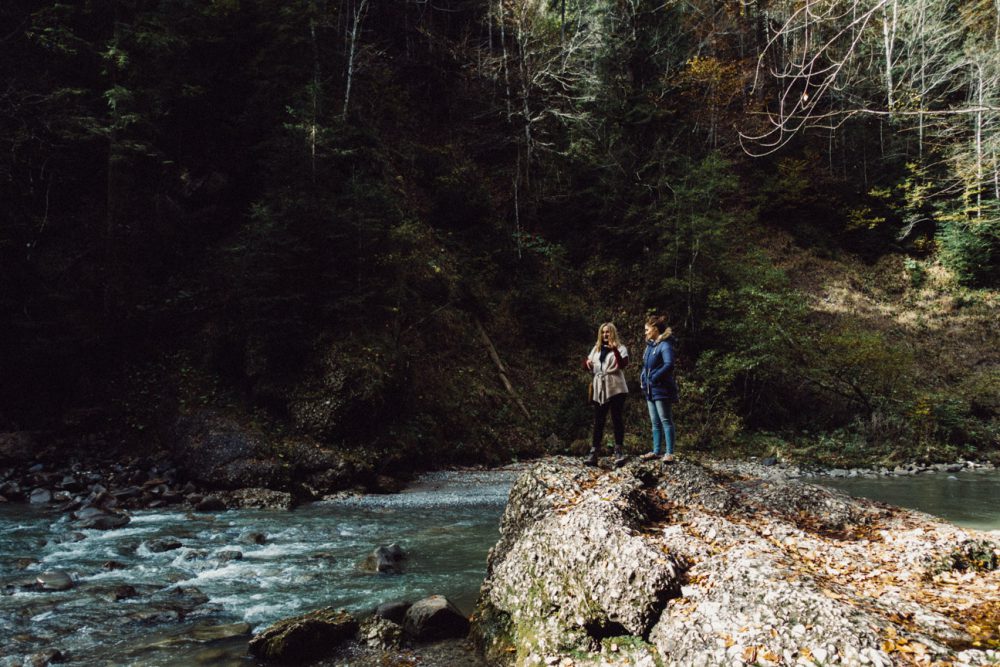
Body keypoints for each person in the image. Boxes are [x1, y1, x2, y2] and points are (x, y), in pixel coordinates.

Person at [583, 322, 629, 467]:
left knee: (616, 418)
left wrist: (614, 349)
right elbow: (586, 365)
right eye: (603, 332)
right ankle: (594, 452)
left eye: (608, 332)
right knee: (599, 420)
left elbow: (622, 364)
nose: (605, 335)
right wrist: (588, 363)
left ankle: (619, 451)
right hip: (600, 386)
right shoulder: (596, 349)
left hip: (616, 386)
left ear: (613, 333)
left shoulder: (621, 348)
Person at [639, 315, 678, 463]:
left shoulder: (665, 345)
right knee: (655, 422)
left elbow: (669, 365)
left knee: (665, 420)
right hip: (650, 389)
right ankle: (656, 451)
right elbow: (646, 366)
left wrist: (654, 377)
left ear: (655, 329)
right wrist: (643, 378)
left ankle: (669, 453)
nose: (645, 332)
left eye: (647, 330)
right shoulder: (651, 346)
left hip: (662, 389)